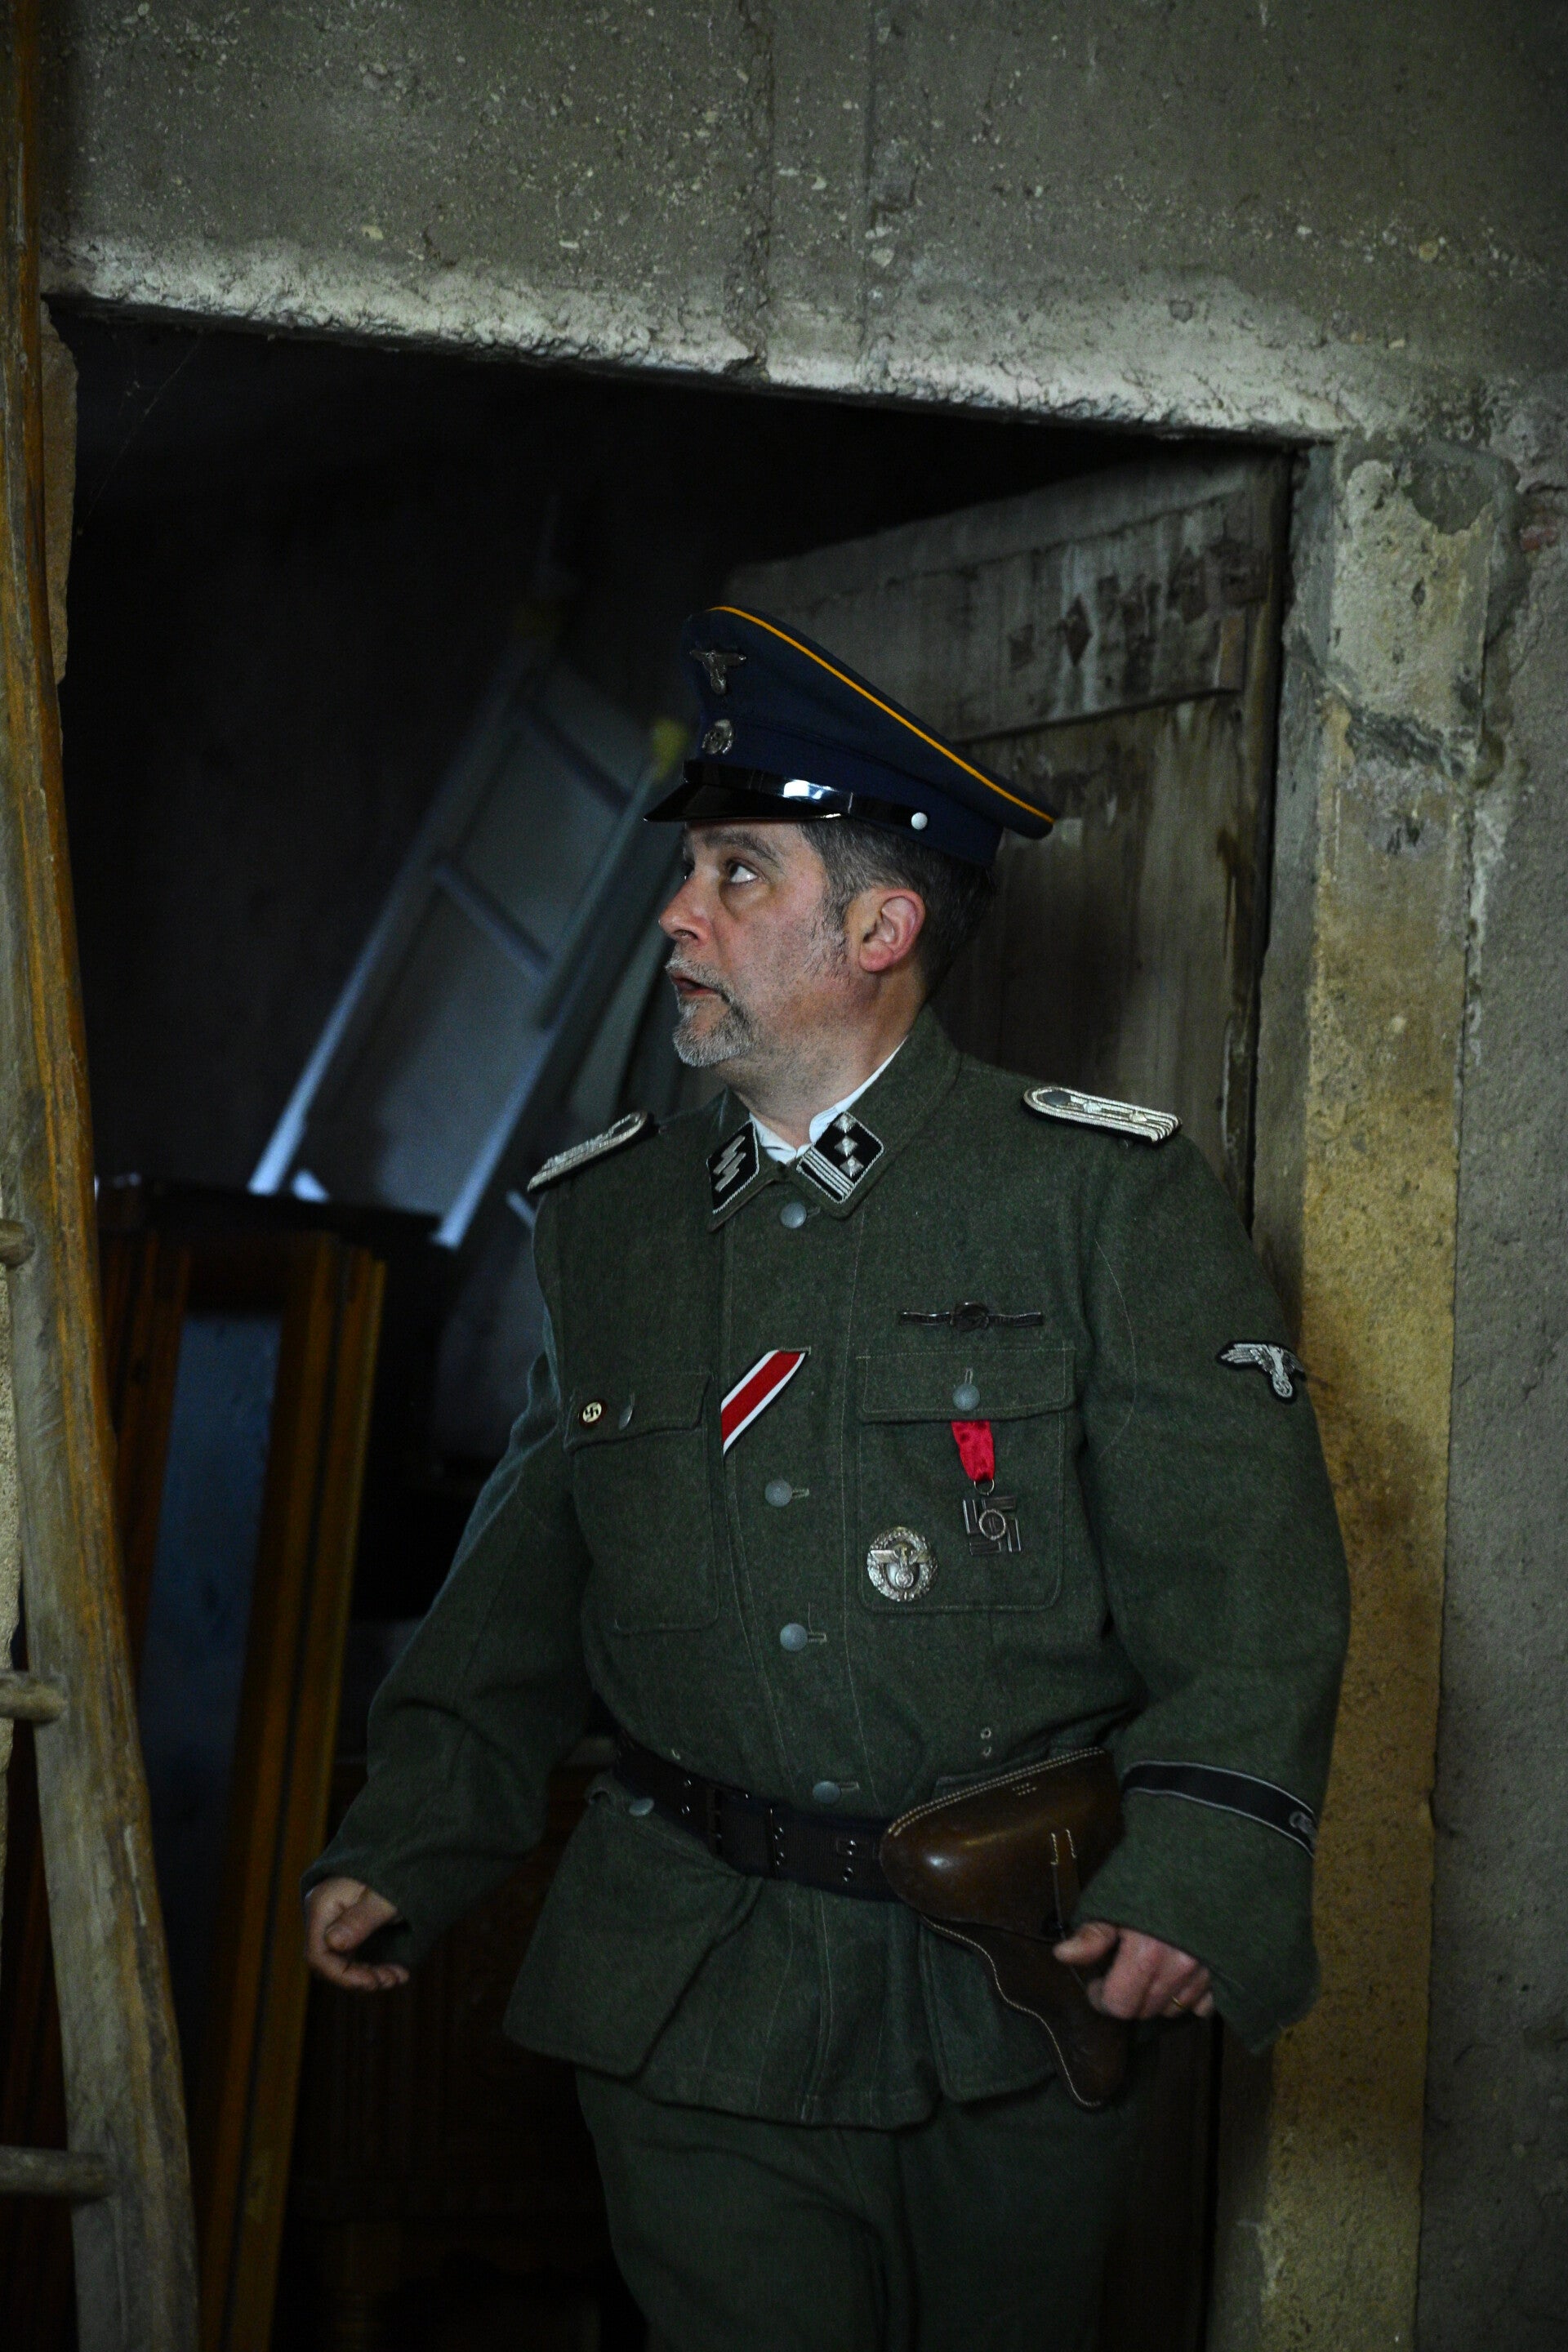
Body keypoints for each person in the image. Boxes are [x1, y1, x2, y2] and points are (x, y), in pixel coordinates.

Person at [305, 605, 1349, 2351]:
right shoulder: (609, 1220)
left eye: (736, 873)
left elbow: (1248, 1580)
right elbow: (524, 1577)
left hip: (1017, 1984)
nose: (675, 915)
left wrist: (1198, 1875)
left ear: (881, 927)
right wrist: (415, 1832)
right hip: (690, 1979)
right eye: (688, 871)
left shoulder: (1098, 1200)